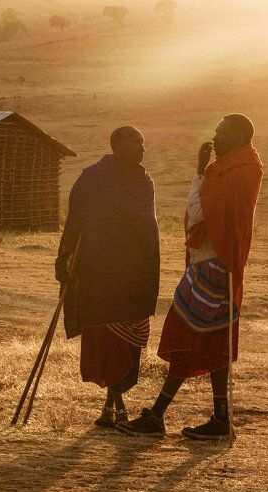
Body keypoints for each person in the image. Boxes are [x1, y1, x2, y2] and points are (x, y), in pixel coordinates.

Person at [118, 114, 264, 439]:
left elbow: (199, 215)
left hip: (216, 267)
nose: (215, 136)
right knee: (213, 343)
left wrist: (199, 173)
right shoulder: (228, 169)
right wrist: (204, 173)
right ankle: (219, 420)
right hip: (211, 266)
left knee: (186, 338)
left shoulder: (239, 174)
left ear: (239, 135)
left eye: (222, 131)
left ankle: (158, 416)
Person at [55, 127, 160, 427]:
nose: (142, 147)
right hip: (102, 274)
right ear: (117, 147)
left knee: (130, 342)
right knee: (108, 340)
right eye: (135, 142)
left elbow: (148, 228)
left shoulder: (145, 181)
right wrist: (66, 260)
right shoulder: (93, 179)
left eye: (143, 142)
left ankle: (113, 404)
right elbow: (76, 222)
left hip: (136, 273)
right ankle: (114, 403)